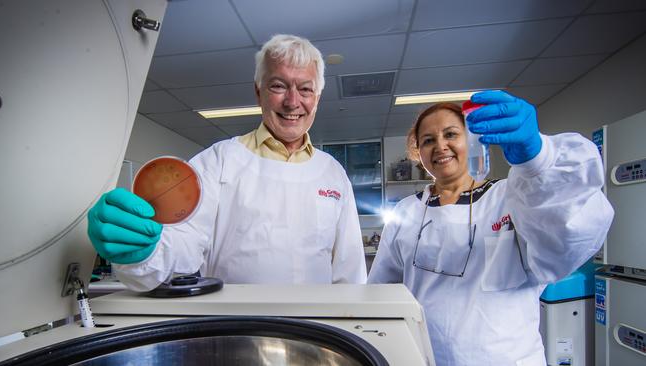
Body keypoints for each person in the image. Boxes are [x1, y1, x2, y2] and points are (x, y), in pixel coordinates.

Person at [87, 34, 367, 291]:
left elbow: (349, 269)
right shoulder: (218, 162)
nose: (293, 102)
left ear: (317, 98)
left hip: (318, 330)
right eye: (279, 86)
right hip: (235, 330)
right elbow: (181, 243)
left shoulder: (332, 172)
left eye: (305, 89)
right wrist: (141, 251)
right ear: (259, 92)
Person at [367, 91, 614, 366]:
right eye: (428, 140)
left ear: (471, 139)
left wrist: (538, 162)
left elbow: (565, 237)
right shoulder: (406, 211)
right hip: (421, 357)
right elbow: (382, 290)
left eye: (451, 134)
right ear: (419, 153)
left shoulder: (513, 196)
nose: (440, 146)